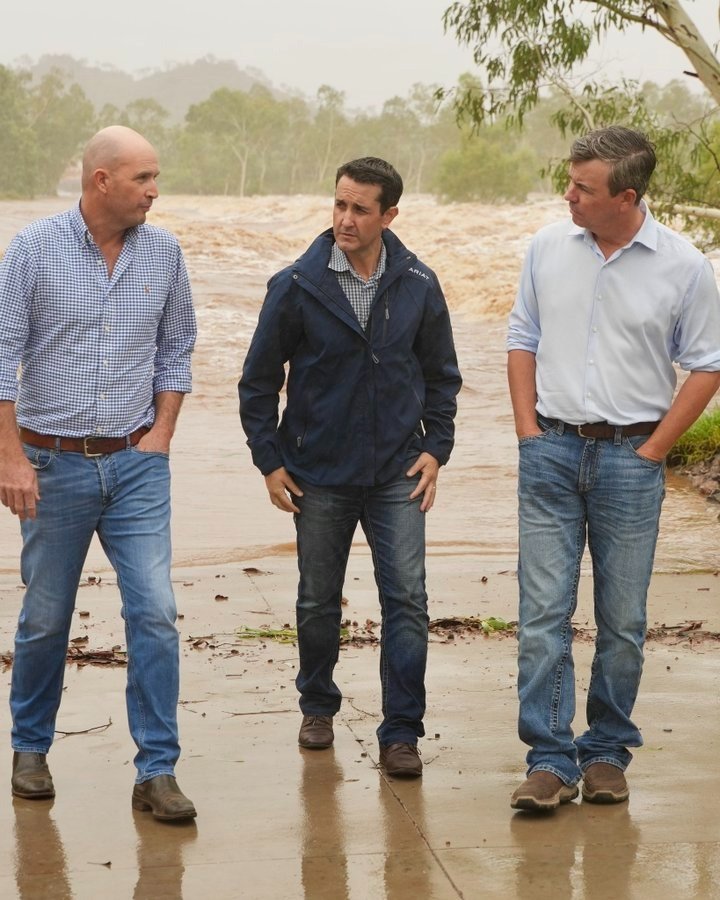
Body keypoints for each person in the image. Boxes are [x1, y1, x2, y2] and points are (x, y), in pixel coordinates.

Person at [507, 125, 720, 811]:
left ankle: (604, 753)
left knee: (623, 619)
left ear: (626, 197)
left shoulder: (685, 266)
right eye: (568, 182)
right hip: (551, 452)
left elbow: (709, 363)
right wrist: (528, 433)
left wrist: (655, 450)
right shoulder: (546, 248)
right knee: (542, 614)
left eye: (583, 189)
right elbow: (522, 338)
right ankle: (548, 759)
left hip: (632, 457)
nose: (568, 196)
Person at [239, 157, 462, 777]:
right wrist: (270, 462)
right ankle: (317, 704)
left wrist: (435, 447)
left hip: (397, 473)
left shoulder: (417, 282)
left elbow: (443, 377)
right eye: (339, 205)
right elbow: (258, 383)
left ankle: (401, 733)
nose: (345, 219)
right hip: (317, 473)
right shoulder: (296, 285)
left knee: (408, 602)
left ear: (389, 215)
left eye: (360, 209)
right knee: (316, 601)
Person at [0, 126, 197, 821]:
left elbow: (177, 352)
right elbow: (1, 358)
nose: (154, 190)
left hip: (137, 465)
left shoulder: (165, 253)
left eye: (156, 177)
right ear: (100, 181)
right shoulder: (32, 249)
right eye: (143, 178)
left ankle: (158, 770)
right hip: (50, 463)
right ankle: (30, 748)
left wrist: (161, 437)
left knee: (155, 613)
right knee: (46, 617)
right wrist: (10, 457)